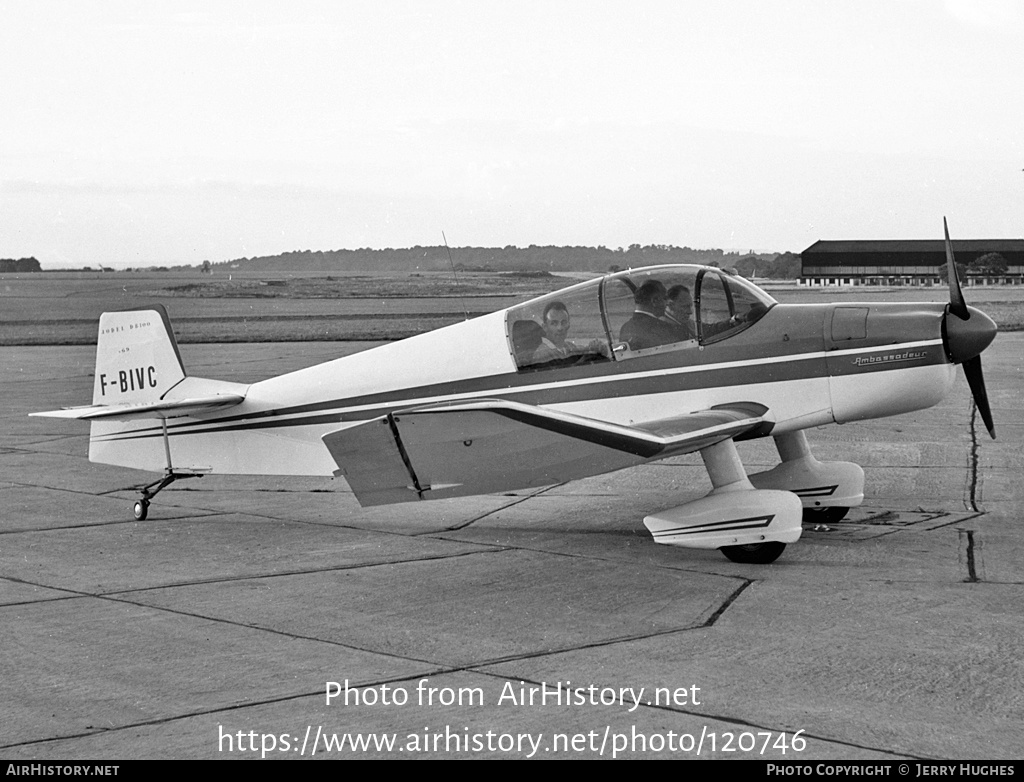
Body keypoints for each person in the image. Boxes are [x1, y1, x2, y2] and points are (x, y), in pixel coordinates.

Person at [530, 301, 606, 364]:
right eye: (554, 323)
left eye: (563, 322)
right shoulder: (542, 354)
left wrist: (595, 349)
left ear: (568, 325)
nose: (560, 328)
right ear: (545, 327)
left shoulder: (569, 346)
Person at [618, 280, 681, 350]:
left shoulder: (625, 328)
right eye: (665, 299)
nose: (667, 304)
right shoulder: (663, 328)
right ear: (654, 301)